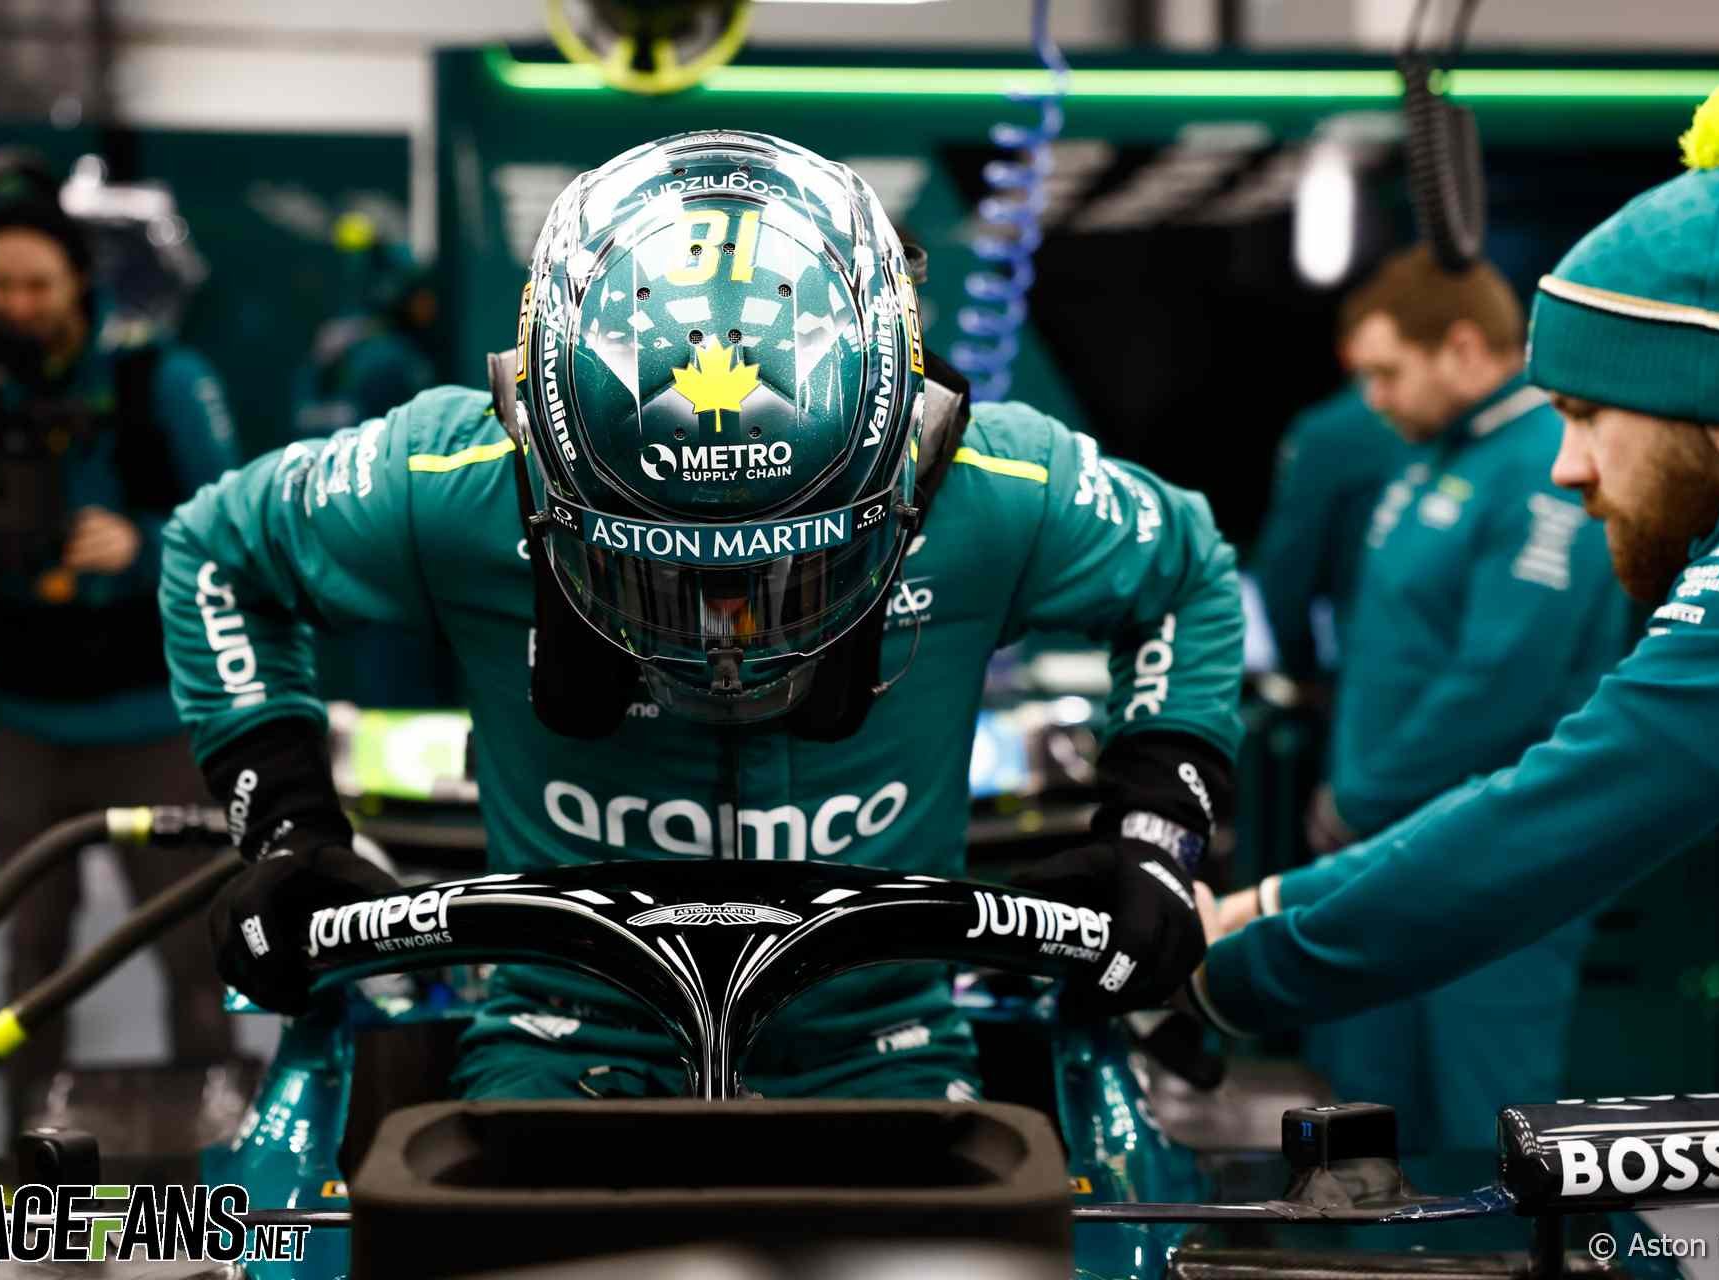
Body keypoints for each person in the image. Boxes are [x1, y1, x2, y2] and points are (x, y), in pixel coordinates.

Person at [174, 131, 1241, 1102]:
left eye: (785, 573)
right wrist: (284, 826)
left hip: (887, 1049)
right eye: (666, 577)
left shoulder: (1000, 485)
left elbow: (1187, 568)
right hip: (562, 1039)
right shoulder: (452, 476)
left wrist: (1154, 833)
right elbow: (216, 550)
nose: (727, 637)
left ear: (904, 453)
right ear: (538, 451)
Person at [1199, 80, 1719, 1074]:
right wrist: (1278, 899)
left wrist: (1228, 974)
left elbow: (1567, 804)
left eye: (1586, 415)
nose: (1566, 466)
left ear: (1701, 392)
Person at [1279, 247, 1633, 1149]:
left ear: (1465, 348)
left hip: (1490, 861)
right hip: (1387, 852)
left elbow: (1501, 682)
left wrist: (1359, 796)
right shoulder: (1434, 453)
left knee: (1484, 1127)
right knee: (1365, 1123)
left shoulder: (1544, 465)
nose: (1374, 399)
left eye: (1389, 373)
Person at [0, 193, 243, 1122]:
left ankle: (216, 1146)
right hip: (28, 726)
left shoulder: (159, 379)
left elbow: (233, 525)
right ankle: (29, 1162)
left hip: (153, 726)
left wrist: (141, 542)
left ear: (80, 281)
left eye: (37, 285)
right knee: (29, 964)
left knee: (194, 953)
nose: (16, 305)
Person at [289, 214, 451, 709]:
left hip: (317, 536)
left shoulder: (326, 350)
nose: (429, 306)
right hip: (382, 548)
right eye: (420, 294)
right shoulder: (393, 361)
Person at [1248, 379, 1413, 684]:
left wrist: (1302, 674)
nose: (1377, 400)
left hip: (1379, 677)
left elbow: (1287, 573)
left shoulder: (1335, 430)